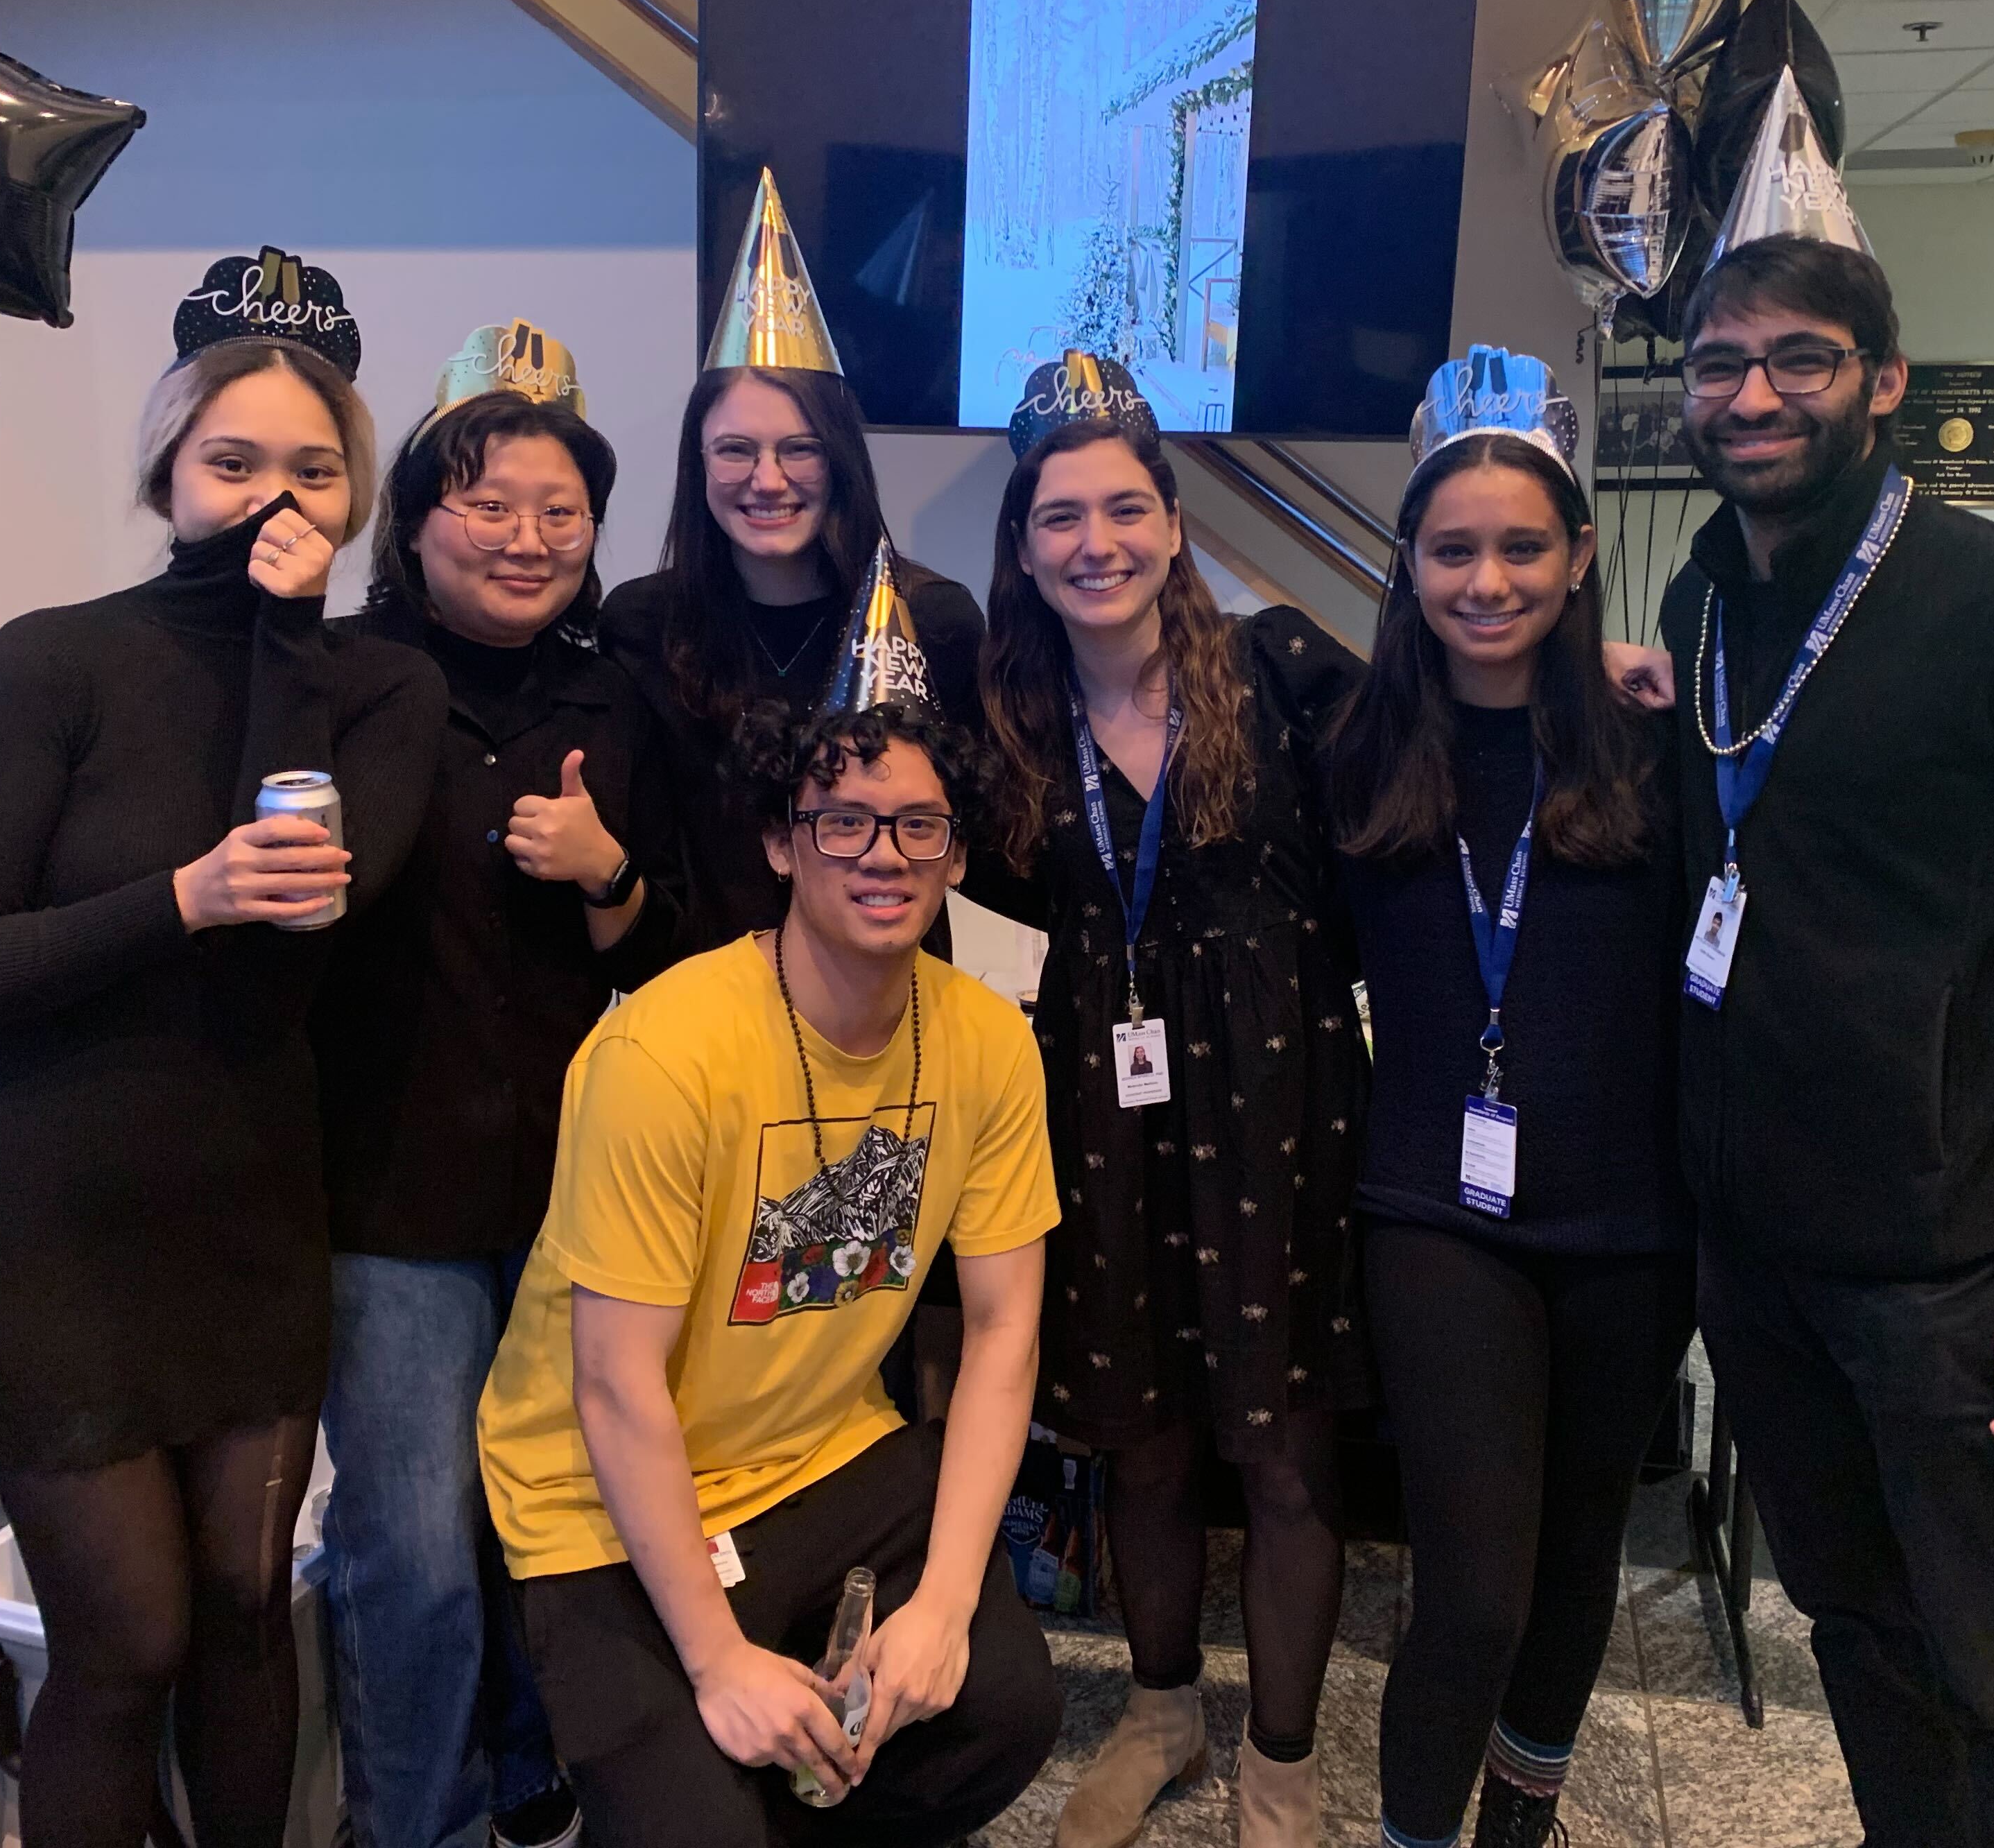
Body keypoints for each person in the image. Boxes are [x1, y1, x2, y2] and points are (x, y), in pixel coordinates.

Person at [1653, 236, 1994, 1847]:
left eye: (1800, 359)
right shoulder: (1703, 604)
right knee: (1858, 1631)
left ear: (1884, 382)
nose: (1753, 395)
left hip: (1950, 1280)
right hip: (1759, 1259)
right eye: (1719, 364)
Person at [0, 252, 445, 1848]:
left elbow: (297, 939)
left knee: (246, 1609)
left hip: (249, 1215)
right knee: (126, 1641)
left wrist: (288, 641)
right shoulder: (55, 663)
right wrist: (180, 897)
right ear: (167, 472)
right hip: (51, 1221)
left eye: (315, 469)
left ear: (356, 496)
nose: (275, 497)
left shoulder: (383, 690)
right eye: (234, 459)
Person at [476, 687, 1063, 1847]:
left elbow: (1005, 1330)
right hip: (602, 1499)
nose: (883, 854)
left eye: (919, 825)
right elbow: (614, 1385)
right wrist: (716, 1660)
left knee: (1002, 1706)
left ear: (956, 855)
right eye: (841, 821)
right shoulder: (664, 1052)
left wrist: (945, 1605)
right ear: (781, 843)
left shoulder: (989, 1042)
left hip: (824, 1453)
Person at [970, 410, 1368, 1848]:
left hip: (1281, 1117)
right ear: (1024, 552)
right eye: (1061, 518)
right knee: (1137, 1445)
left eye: (1126, 508)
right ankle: (1159, 1712)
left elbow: (1442, 756)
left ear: (1176, 524)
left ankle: (1281, 1763)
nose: (1099, 542)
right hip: (1100, 1117)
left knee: (1282, 1455)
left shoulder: (1282, 671)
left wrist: (1598, 667)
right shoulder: (1007, 727)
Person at [311, 321, 685, 1848]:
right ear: (414, 518)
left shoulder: (614, 702)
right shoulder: (339, 681)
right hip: (389, 1191)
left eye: (561, 511)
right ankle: (417, 1821)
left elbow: (676, 961)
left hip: (576, 1192)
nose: (527, 539)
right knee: (413, 1545)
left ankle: (537, 1771)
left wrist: (609, 876)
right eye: (488, 504)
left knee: (560, 1516)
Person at [1327, 350, 1694, 1848]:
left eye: (1523, 547)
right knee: (1474, 1591)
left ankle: (1517, 1828)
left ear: (1581, 555)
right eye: (1454, 549)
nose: (1487, 581)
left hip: (1631, 1222)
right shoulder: (1352, 747)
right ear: (1409, 560)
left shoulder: (1660, 746)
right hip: (1435, 1211)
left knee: (1574, 1563)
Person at [600, 169, 985, 957]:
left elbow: (971, 831)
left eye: (799, 449)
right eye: (736, 450)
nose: (768, 480)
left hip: (890, 992)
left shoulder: (933, 620)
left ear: (839, 460)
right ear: (699, 464)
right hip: (707, 998)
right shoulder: (643, 626)